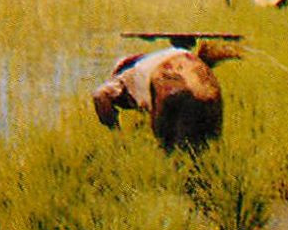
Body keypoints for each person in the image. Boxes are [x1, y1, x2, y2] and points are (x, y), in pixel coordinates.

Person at [93, 43, 231, 152]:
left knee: (171, 149)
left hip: (166, 79)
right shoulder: (162, 56)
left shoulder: (125, 76)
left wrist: (116, 132)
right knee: (208, 144)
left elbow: (100, 95)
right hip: (199, 72)